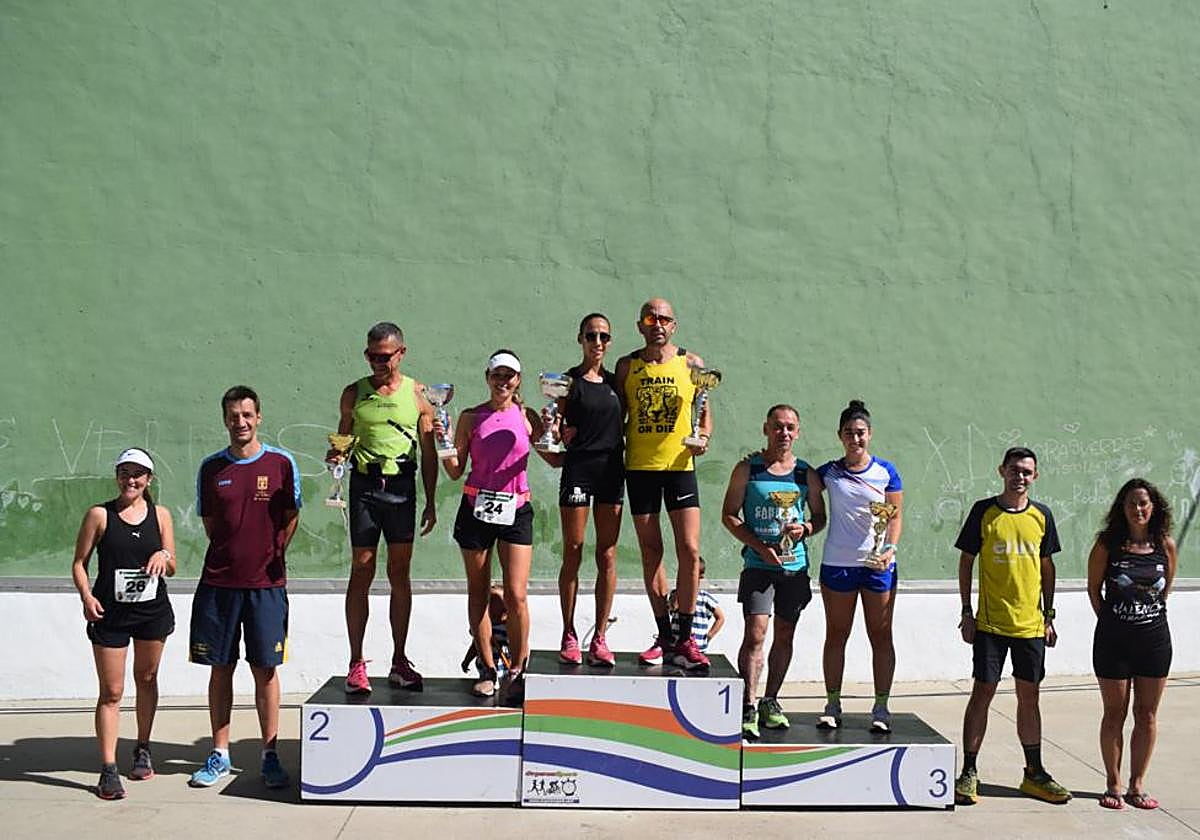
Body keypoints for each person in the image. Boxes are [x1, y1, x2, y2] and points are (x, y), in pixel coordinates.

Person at [189, 386, 301, 790]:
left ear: (259, 417)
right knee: (221, 669)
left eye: (247, 415)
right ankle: (219, 752)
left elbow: (290, 517)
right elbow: (211, 526)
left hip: (267, 586)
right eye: (234, 416)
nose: (241, 422)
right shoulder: (210, 469)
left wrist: (269, 553)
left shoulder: (282, 463)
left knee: (265, 670)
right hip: (219, 585)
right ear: (225, 420)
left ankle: (270, 754)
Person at [953, 447, 1070, 806]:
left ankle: (1033, 773)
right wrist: (967, 612)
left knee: (1029, 698)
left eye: (1027, 472)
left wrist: (1048, 616)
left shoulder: (1042, 516)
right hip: (989, 624)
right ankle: (969, 772)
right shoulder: (983, 512)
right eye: (1014, 470)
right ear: (1001, 471)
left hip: (1031, 627)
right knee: (982, 694)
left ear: (1035, 476)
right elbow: (966, 561)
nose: (1020, 477)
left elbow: (1047, 568)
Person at [439, 350, 555, 705]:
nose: (502, 381)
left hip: (516, 511)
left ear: (518, 380)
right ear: (487, 376)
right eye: (496, 375)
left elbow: (552, 457)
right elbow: (455, 470)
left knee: (517, 595)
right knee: (479, 592)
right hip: (476, 508)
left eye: (510, 376)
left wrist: (555, 431)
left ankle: (519, 670)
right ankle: (488, 669)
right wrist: (442, 442)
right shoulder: (471, 417)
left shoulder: (528, 415)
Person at [329, 322, 438, 695]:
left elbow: (428, 452)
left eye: (385, 357)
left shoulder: (420, 394)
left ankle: (399, 660)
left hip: (402, 488)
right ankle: (356, 662)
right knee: (361, 569)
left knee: (399, 572)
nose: (378, 363)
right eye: (372, 356)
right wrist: (337, 453)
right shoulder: (353, 393)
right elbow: (343, 436)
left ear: (401, 353)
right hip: (364, 488)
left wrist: (432, 500)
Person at [71, 448, 177, 800]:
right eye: (125, 473)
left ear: (149, 479)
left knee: (146, 679)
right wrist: (87, 597)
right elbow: (79, 563)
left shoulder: (161, 515)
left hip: (151, 613)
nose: (131, 480)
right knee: (112, 692)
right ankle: (108, 769)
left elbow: (172, 564)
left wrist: (163, 555)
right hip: (109, 615)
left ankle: (142, 748)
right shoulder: (99, 515)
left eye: (138, 474)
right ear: (117, 476)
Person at [614, 297, 713, 670]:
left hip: (679, 466)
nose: (657, 324)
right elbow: (616, 416)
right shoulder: (628, 366)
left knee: (689, 549)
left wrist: (703, 438)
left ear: (674, 325)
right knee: (650, 552)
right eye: (650, 318)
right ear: (640, 325)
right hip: (640, 467)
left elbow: (704, 415)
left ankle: (686, 637)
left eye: (665, 319)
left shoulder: (692, 364)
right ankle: (664, 634)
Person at [721, 404, 825, 740]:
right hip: (757, 565)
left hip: (794, 569)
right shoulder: (747, 469)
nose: (784, 433)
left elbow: (820, 517)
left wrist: (805, 529)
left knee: (784, 635)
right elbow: (730, 515)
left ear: (798, 432)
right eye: (778, 426)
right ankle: (748, 705)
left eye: (790, 428)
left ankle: (771, 700)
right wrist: (759, 545)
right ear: (766, 428)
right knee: (755, 634)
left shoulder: (805, 474)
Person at [810, 400, 902, 732]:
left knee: (880, 635)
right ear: (840, 436)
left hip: (877, 565)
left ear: (870, 435)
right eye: (849, 433)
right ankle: (832, 704)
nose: (855, 439)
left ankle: (881, 708)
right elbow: (794, 479)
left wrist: (889, 550)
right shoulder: (827, 472)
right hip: (838, 563)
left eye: (860, 433)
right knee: (836, 634)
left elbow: (895, 517)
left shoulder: (886, 472)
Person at [1087, 479, 1176, 811]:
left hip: (1154, 642)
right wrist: (1113, 621)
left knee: (1147, 714)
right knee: (1114, 713)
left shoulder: (1164, 544)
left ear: (1153, 507)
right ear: (1121, 509)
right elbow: (1094, 589)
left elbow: (1164, 590)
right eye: (1131, 504)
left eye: (1143, 503)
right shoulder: (1107, 544)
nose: (1138, 510)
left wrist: (1144, 616)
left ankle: (1138, 784)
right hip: (1113, 642)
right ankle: (1114, 783)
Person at [551, 313, 624, 666]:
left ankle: (600, 636)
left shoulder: (617, 383)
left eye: (604, 337)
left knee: (607, 555)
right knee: (574, 551)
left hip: (612, 473)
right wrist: (557, 435)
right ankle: (568, 633)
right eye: (591, 335)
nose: (598, 342)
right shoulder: (568, 381)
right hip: (579, 471)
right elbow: (555, 428)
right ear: (580, 339)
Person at [668, 557, 725, 653]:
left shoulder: (704, 597)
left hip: (698, 647)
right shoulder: (676, 593)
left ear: (700, 576)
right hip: (676, 645)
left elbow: (720, 617)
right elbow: (673, 607)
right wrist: (680, 589)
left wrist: (709, 635)